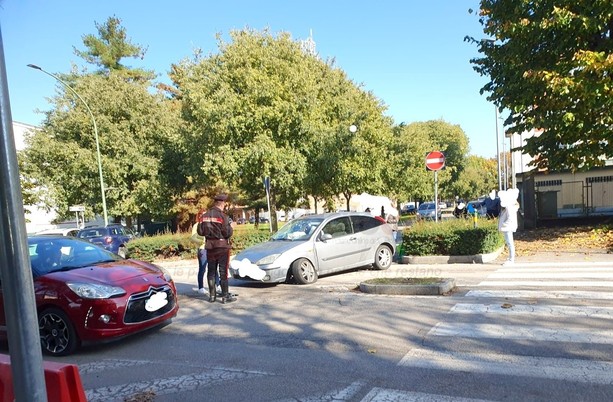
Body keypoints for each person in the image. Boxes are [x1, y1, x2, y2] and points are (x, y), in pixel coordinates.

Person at [198, 194, 236, 303]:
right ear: (222, 204)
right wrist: (231, 227)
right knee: (223, 272)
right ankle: (225, 296)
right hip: (222, 247)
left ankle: (212, 296)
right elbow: (227, 233)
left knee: (211, 271)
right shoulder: (223, 216)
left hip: (210, 247)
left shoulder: (204, 216)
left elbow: (200, 232)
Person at [190, 211, 220, 296]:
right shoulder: (196, 225)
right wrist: (202, 241)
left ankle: (218, 286)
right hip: (203, 249)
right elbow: (193, 238)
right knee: (202, 268)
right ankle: (201, 288)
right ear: (199, 216)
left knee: (214, 268)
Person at [498, 188, 520, 265]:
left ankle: (511, 259)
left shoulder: (509, 207)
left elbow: (509, 218)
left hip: (507, 227)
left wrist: (504, 225)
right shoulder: (510, 206)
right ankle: (511, 258)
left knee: (510, 243)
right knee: (509, 243)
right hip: (508, 227)